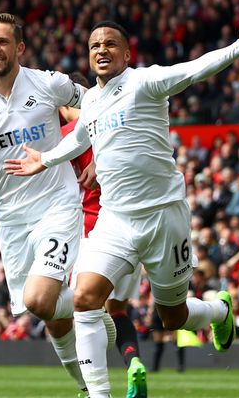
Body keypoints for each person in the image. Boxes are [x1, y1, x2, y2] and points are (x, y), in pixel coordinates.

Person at [5, 12, 239, 396]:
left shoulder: (144, 81)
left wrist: (237, 48)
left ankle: (219, 312)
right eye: (95, 46)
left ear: (126, 53)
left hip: (164, 217)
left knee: (172, 317)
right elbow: (77, 139)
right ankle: (100, 394)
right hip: (115, 219)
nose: (101, 50)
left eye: (110, 44)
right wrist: (44, 159)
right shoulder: (90, 100)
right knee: (86, 297)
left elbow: (192, 71)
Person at [0, 13, 114, 397]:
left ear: (18, 48)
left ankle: (90, 302)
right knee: (48, 315)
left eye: (2, 42)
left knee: (40, 299)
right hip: (12, 219)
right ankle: (87, 387)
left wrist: (98, 157)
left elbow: (98, 105)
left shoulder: (49, 83)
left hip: (58, 205)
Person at [59, 73, 148, 398]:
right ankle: (133, 362)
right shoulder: (117, 124)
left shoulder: (68, 135)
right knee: (119, 309)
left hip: (93, 232)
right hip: (133, 226)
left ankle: (94, 389)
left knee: (84, 311)